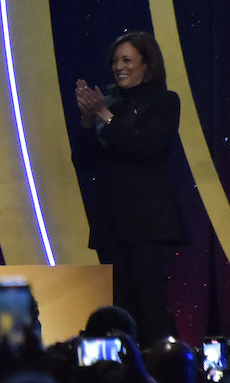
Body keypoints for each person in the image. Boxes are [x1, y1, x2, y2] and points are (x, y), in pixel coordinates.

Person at [74, 30, 184, 346]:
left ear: (146, 65)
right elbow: (84, 162)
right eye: (114, 61)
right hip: (111, 225)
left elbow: (145, 148)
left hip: (147, 224)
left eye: (127, 60)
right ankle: (121, 379)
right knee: (118, 311)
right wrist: (86, 121)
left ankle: (165, 373)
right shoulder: (107, 105)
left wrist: (104, 116)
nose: (118, 67)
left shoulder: (164, 101)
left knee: (149, 305)